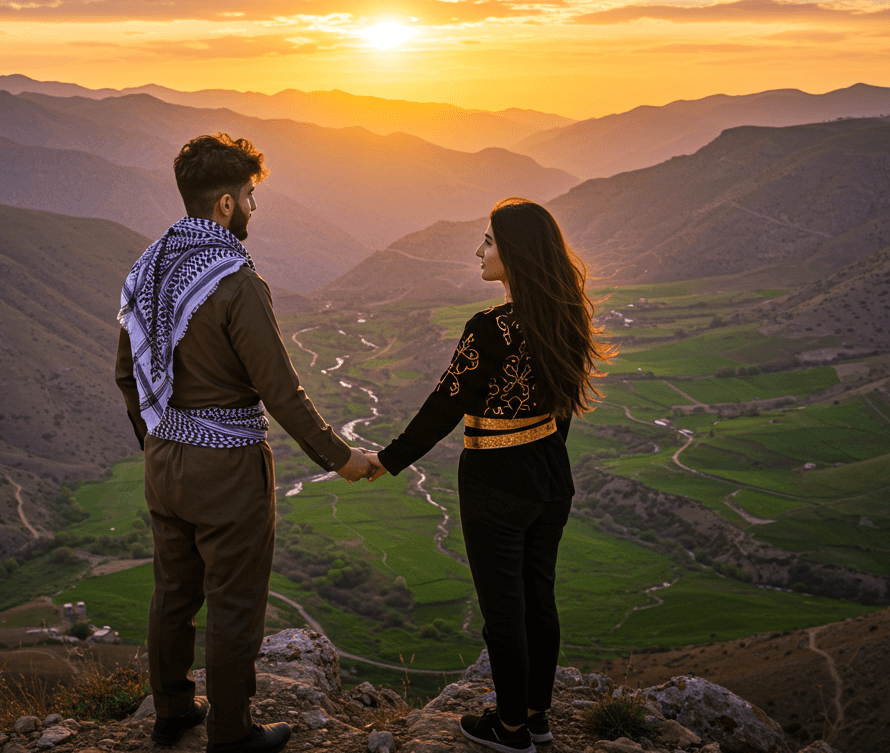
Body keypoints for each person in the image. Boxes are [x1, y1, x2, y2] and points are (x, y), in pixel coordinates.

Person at [116, 133, 374, 753]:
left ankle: (172, 712)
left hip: (164, 462)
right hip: (227, 468)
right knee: (234, 604)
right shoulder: (235, 281)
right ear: (226, 204)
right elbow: (279, 391)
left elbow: (127, 373)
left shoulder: (147, 270)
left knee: (173, 595)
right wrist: (341, 458)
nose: (255, 208)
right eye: (251, 196)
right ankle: (231, 734)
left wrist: (159, 440)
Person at [365, 198, 613, 753]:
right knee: (539, 598)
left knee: (503, 609)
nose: (479, 251)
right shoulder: (568, 316)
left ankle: (510, 730)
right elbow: (563, 408)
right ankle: (536, 716)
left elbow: (445, 405)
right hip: (550, 475)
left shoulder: (489, 328)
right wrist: (544, 458)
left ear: (515, 252)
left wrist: (386, 460)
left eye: (488, 241)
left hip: (494, 481)